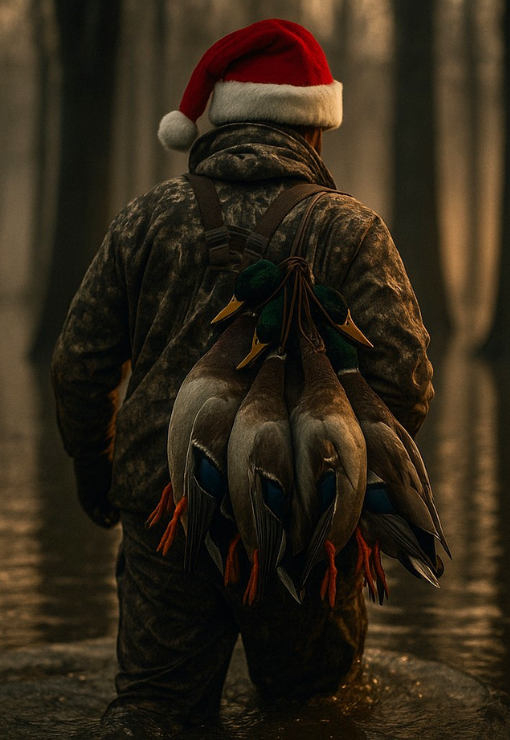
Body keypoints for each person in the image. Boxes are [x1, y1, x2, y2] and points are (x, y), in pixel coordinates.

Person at [50, 19, 434, 736]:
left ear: (216, 123)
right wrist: (346, 488)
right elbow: (407, 380)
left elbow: (79, 366)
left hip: (166, 524)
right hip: (305, 528)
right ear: (314, 129)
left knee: (153, 713)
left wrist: (98, 477)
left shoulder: (146, 221)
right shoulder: (352, 230)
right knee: (314, 715)